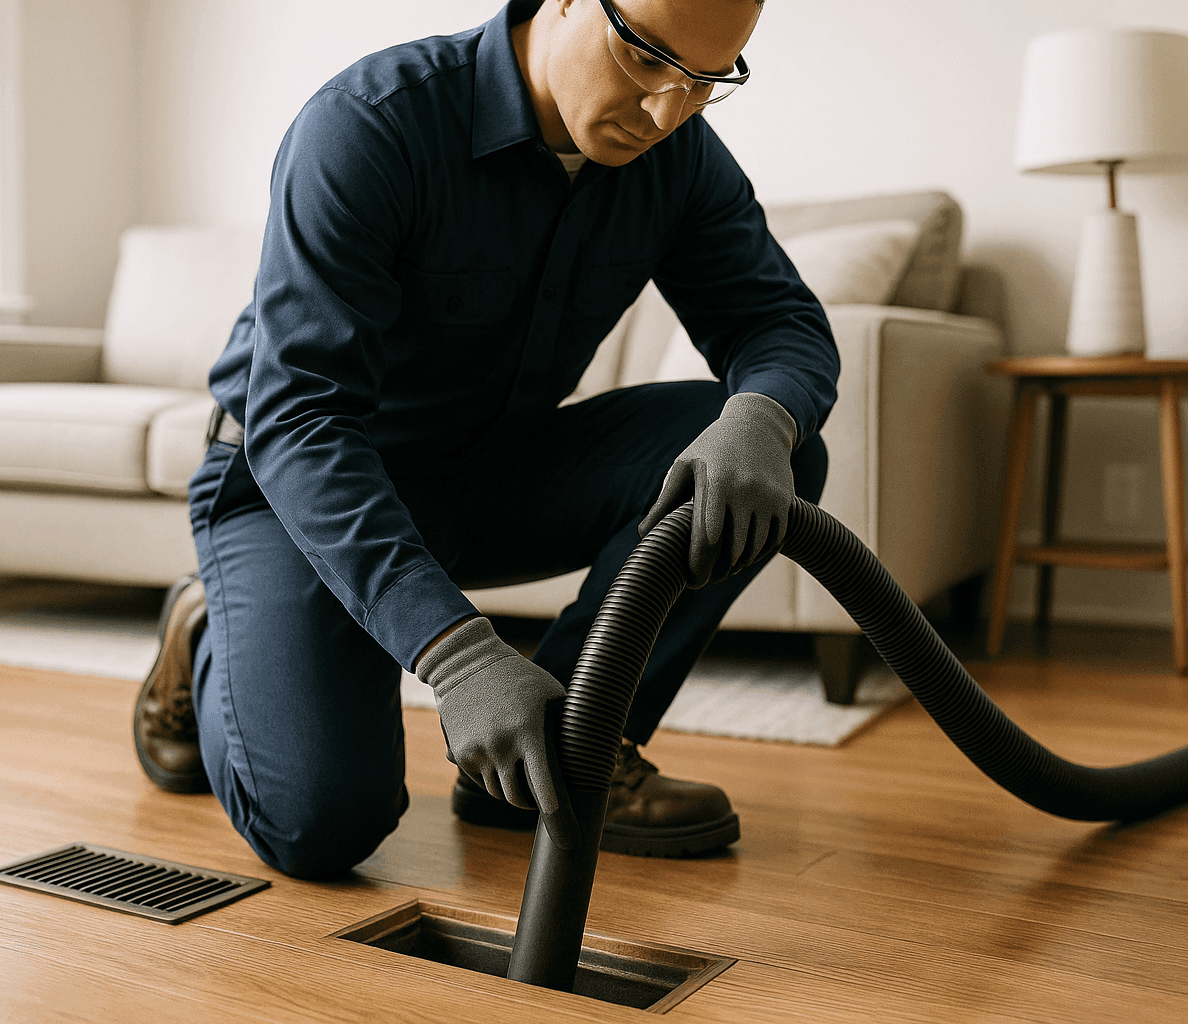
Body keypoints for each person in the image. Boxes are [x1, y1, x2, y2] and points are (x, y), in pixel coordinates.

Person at [133, 0, 838, 880]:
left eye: (705, 82)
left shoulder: (678, 157)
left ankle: (573, 747)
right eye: (647, 57)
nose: (666, 110)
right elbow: (302, 419)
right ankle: (207, 627)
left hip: (488, 469)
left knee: (778, 455)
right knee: (321, 824)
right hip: (297, 489)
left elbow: (780, 324)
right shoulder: (371, 125)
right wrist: (460, 657)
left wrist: (760, 418)